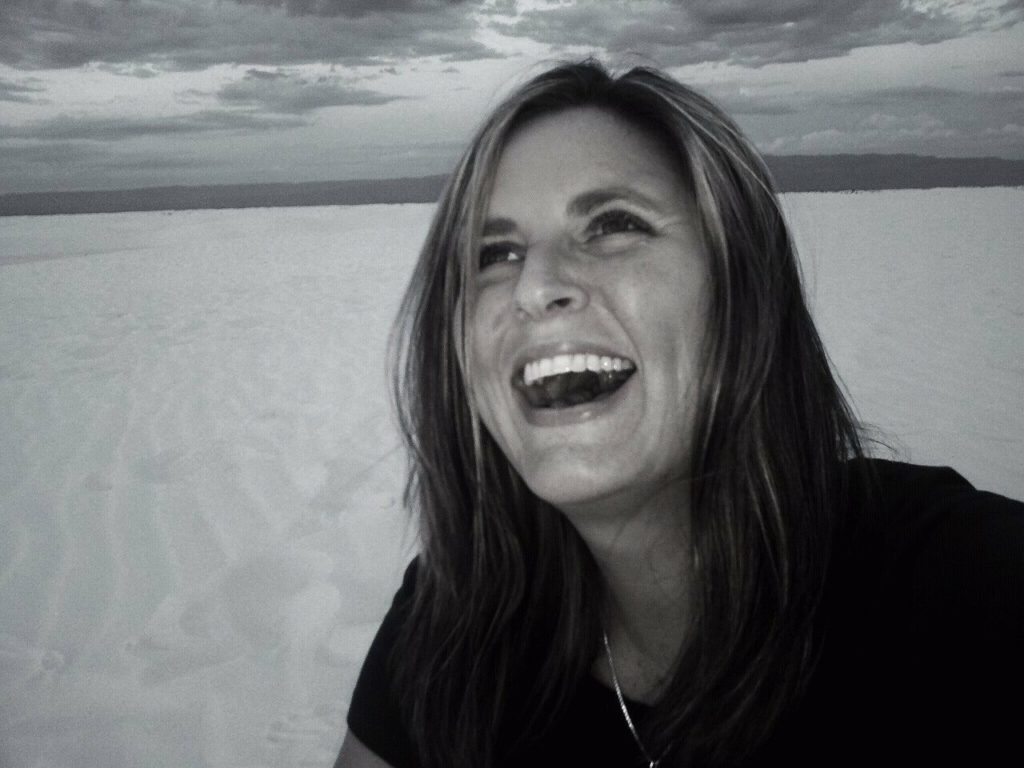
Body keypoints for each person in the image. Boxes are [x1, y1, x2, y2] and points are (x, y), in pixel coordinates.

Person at [336, 60, 1024, 767]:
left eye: (612, 225)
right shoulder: (451, 621)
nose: (534, 287)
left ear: (741, 291)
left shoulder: (955, 593)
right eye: (495, 253)